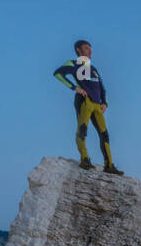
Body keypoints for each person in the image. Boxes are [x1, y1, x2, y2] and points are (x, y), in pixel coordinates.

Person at [53, 40, 123, 174]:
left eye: (90, 48)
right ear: (79, 50)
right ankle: (85, 160)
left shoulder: (93, 69)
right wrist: (74, 87)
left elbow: (101, 87)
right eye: (86, 48)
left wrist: (105, 102)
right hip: (84, 101)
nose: (90, 51)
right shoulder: (73, 64)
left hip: (97, 105)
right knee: (82, 129)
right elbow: (58, 74)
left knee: (105, 135)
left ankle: (109, 166)